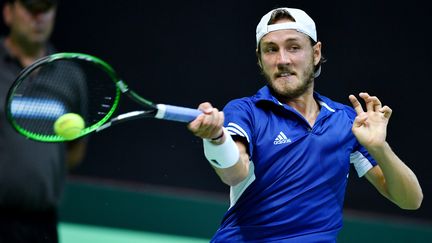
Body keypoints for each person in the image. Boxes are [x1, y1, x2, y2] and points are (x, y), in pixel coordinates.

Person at [188, 7, 423, 242]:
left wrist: (380, 148)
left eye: (294, 47)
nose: (282, 60)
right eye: (271, 50)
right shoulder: (245, 111)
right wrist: (216, 139)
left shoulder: (347, 122)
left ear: (316, 52)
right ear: (260, 59)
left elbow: (410, 201)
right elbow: (234, 173)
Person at [0, 0, 86, 242]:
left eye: (45, 9)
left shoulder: (70, 75)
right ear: (8, 12)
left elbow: (75, 151)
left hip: (43, 225)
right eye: (30, 8)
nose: (39, 17)